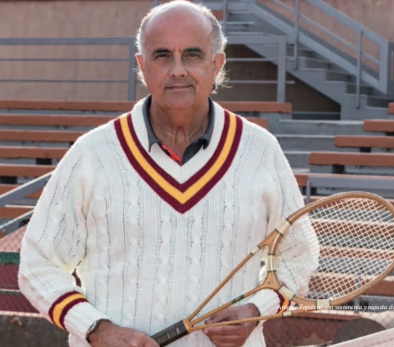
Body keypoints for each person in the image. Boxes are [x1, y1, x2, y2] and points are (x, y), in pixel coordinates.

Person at [18, 1, 318, 346]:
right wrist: (97, 329)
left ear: (217, 64)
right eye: (162, 56)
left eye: (192, 55)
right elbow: (38, 264)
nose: (177, 70)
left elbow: (300, 257)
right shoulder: (93, 154)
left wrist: (257, 307)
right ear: (142, 66)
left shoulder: (260, 151)